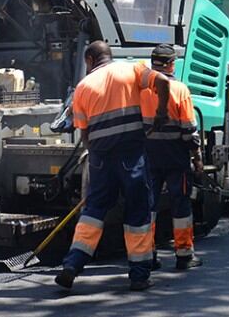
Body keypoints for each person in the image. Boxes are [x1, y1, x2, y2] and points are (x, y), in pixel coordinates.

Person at [55, 41, 171, 292]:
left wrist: (96, 154)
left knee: (93, 211)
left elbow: (84, 133)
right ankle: (139, 275)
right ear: (109, 55)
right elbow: (164, 82)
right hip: (131, 154)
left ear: (89, 60)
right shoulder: (131, 70)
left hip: (101, 157)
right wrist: (161, 113)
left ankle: (73, 264)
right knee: (138, 212)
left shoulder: (82, 88)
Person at [140, 44, 204, 270]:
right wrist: (197, 157)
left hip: (149, 154)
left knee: (149, 205)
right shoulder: (179, 89)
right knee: (181, 204)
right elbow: (189, 129)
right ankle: (184, 255)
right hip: (176, 155)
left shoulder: (142, 89)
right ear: (171, 64)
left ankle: (147, 255)